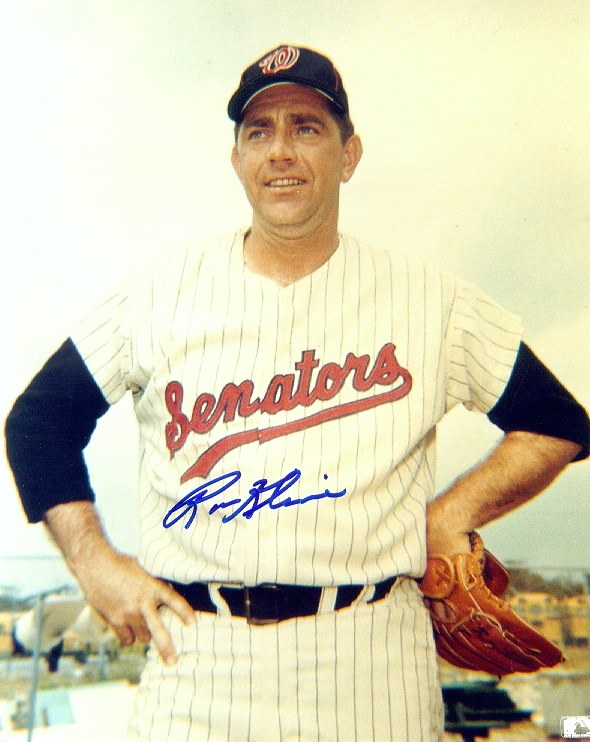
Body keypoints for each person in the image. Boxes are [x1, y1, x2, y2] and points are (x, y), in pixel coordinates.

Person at [5, 44, 589, 741]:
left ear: (349, 155)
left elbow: (557, 421)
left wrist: (452, 512)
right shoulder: (157, 294)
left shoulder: (432, 300)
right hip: (196, 659)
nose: (280, 150)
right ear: (237, 160)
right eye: (260, 131)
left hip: (371, 659)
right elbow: (38, 420)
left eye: (306, 127)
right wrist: (93, 562)